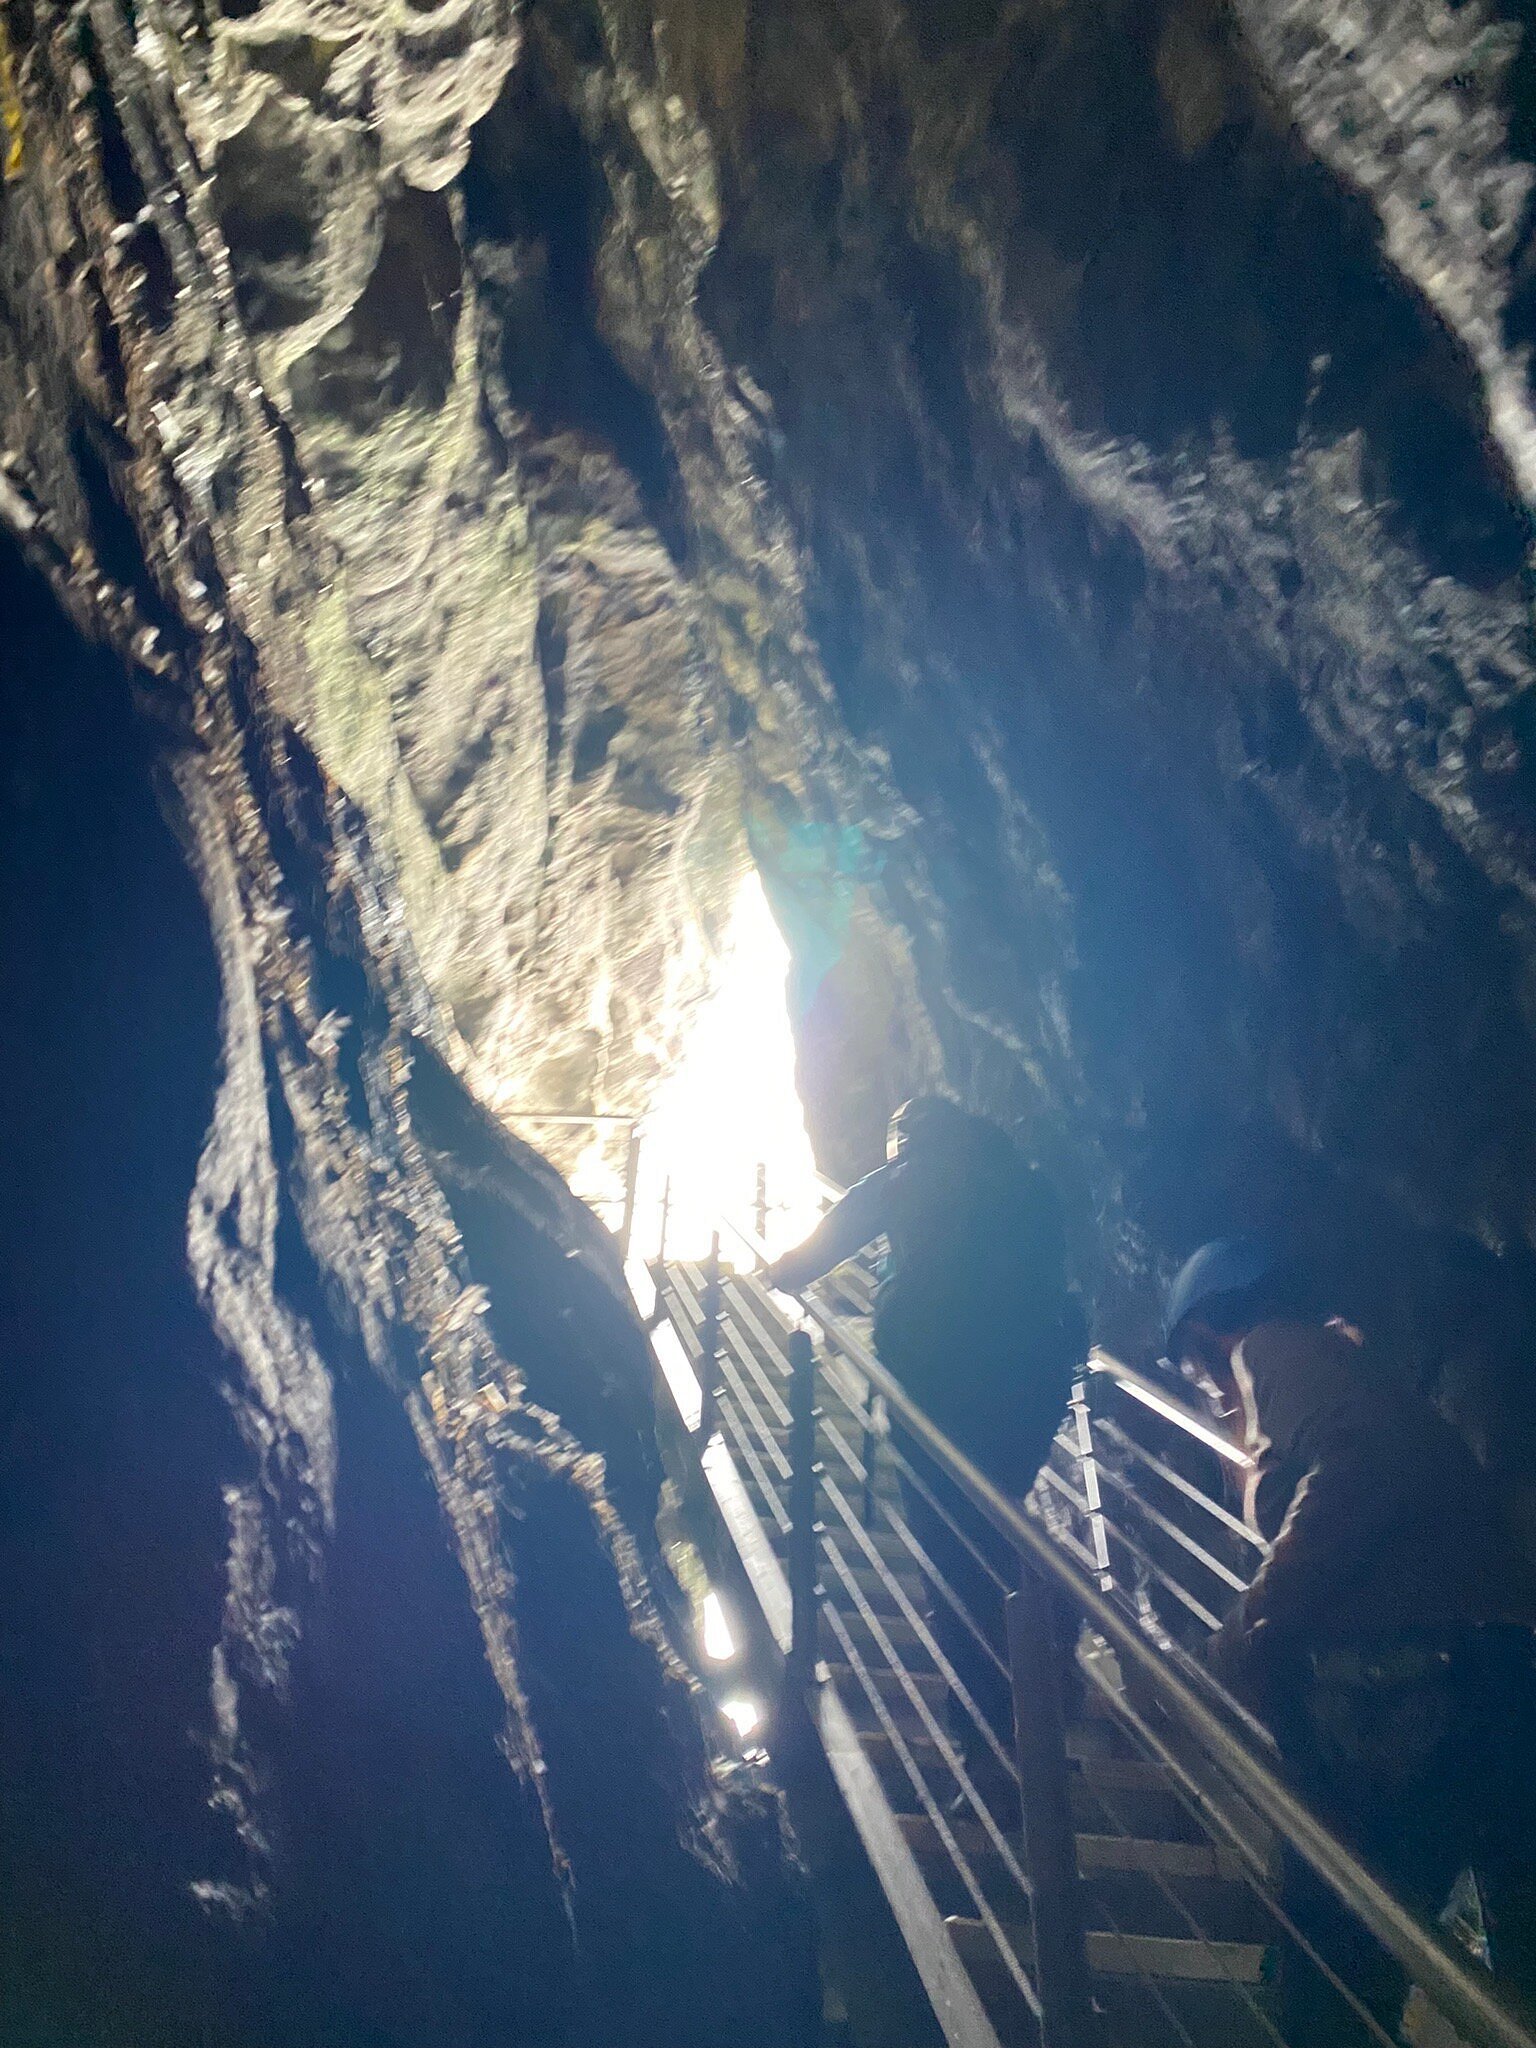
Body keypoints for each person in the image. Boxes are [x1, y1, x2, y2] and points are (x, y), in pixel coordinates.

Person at [1165, 1237, 1536, 2040]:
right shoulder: (1345, 1361)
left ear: (1205, 1329)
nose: (1205, 1389)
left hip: (1412, 1687)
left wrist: (1258, 1617)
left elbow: (1365, 1461)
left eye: (1195, 1367)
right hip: (1490, 1670)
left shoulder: (1274, 1347)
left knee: (1335, 1958)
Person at [764, 1097, 1085, 1816]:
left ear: (907, 1137)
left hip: (938, 1398)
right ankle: (1053, 1634)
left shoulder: (906, 1177)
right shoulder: (1025, 1183)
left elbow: (828, 1242)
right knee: (998, 1531)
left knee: (954, 1569)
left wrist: (773, 1275)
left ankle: (989, 1751)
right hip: (1027, 1396)